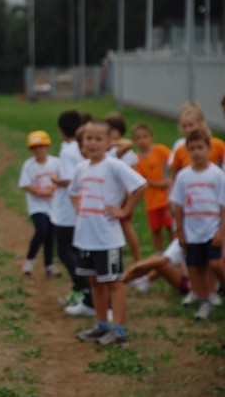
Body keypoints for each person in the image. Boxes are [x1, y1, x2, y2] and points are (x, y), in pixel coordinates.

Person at [69, 120, 147, 347]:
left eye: (98, 139)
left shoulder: (115, 165)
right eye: (88, 139)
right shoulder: (82, 168)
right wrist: (78, 208)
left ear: (109, 143)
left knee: (114, 282)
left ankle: (119, 330)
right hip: (86, 236)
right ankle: (101, 325)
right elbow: (73, 193)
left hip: (107, 238)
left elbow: (141, 186)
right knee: (95, 282)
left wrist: (124, 211)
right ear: (82, 142)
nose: (92, 143)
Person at [170, 129, 225, 320]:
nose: (196, 152)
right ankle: (204, 301)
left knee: (216, 263)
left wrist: (221, 230)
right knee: (195, 267)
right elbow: (178, 205)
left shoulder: (217, 175)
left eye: (200, 147)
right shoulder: (183, 176)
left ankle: (217, 290)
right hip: (192, 231)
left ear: (209, 149)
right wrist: (180, 230)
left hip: (212, 229)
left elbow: (223, 205)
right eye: (191, 149)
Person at [50, 110, 94, 316]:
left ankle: (85, 289)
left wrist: (56, 180)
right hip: (80, 207)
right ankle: (80, 290)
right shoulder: (79, 146)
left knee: (65, 252)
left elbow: (68, 179)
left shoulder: (68, 149)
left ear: (61, 131)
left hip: (68, 210)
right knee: (76, 252)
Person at [19, 130, 61, 277]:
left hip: (54, 206)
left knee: (51, 235)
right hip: (37, 206)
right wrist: (39, 192)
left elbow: (63, 180)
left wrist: (54, 187)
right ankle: (29, 260)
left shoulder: (56, 162)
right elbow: (25, 184)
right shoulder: (29, 165)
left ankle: (49, 265)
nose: (38, 150)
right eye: (35, 147)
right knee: (42, 230)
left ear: (47, 146)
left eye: (41, 146)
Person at [105, 112, 141, 263]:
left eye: (110, 129)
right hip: (116, 198)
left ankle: (137, 259)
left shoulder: (125, 151)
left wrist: (126, 199)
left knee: (126, 227)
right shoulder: (112, 151)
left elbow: (128, 178)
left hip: (124, 197)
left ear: (118, 130)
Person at [132, 123, 173, 254]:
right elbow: (141, 181)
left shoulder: (160, 150)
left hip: (166, 199)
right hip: (150, 201)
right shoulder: (136, 159)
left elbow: (173, 163)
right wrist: (160, 183)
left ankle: (175, 253)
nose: (142, 140)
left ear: (151, 137)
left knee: (170, 227)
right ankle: (159, 254)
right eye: (138, 138)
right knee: (155, 229)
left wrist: (170, 181)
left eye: (145, 136)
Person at [124, 238, 190, 296]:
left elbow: (162, 261)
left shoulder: (184, 239)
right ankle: (142, 280)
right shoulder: (186, 238)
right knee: (155, 261)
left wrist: (134, 268)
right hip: (189, 279)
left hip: (189, 284)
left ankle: (125, 279)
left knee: (155, 262)